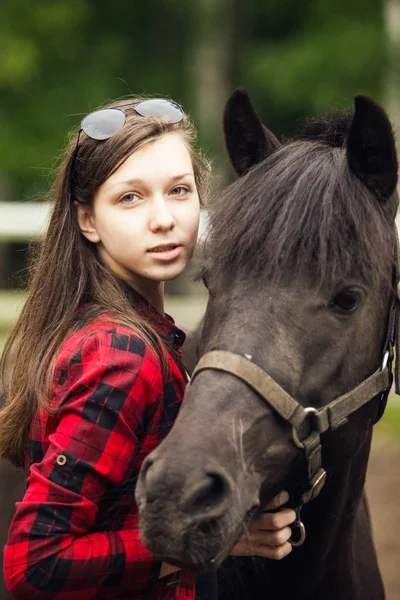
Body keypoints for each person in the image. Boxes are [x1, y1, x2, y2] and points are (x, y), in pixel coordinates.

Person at [0, 97, 296, 600]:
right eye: (130, 198)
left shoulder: (106, 326)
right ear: (88, 221)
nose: (163, 219)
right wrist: (207, 541)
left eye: (179, 190)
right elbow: (35, 563)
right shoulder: (121, 357)